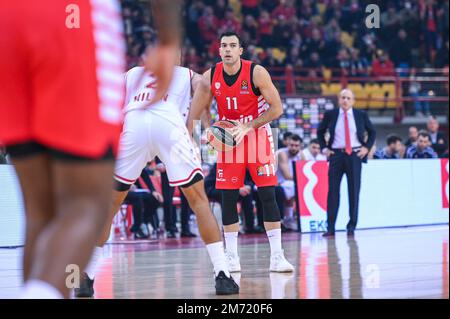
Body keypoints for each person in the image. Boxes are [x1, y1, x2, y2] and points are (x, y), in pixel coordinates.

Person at [75, 53, 239, 297]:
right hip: (169, 122)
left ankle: (85, 279)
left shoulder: (131, 74)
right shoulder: (185, 73)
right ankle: (223, 275)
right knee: (199, 201)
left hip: (135, 122)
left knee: (109, 206)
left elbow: (101, 94)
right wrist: (196, 123)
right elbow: (205, 85)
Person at [0, 0, 128, 299]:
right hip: (72, 17)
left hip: (8, 17)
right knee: (87, 207)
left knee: (41, 214)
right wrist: (168, 39)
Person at [187, 31, 294, 273]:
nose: (227, 49)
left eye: (232, 45)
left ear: (240, 51)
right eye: (223, 45)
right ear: (219, 50)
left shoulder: (257, 72)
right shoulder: (210, 75)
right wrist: (210, 130)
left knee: (268, 194)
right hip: (229, 139)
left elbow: (277, 108)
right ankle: (231, 257)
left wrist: (249, 125)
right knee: (228, 198)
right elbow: (198, 107)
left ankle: (277, 256)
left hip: (258, 134)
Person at [318, 89, 376, 237]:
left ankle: (351, 226)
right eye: (343, 97)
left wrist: (367, 148)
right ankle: (330, 227)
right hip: (336, 155)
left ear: (353, 101)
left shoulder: (360, 115)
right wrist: (324, 149)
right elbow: (320, 131)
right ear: (338, 99)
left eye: (348, 98)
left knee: (354, 191)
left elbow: (372, 132)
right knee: (333, 192)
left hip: (355, 155)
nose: (345, 100)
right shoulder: (331, 114)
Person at [277, 134, 304, 231]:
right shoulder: (282, 153)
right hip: (279, 183)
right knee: (293, 187)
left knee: (298, 186)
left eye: (296, 146)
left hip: (290, 183)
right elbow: (287, 176)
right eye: (291, 145)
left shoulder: (301, 154)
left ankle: (291, 218)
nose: (293, 148)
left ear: (300, 146)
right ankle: (288, 219)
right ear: (287, 144)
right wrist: (300, 180)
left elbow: (304, 173)